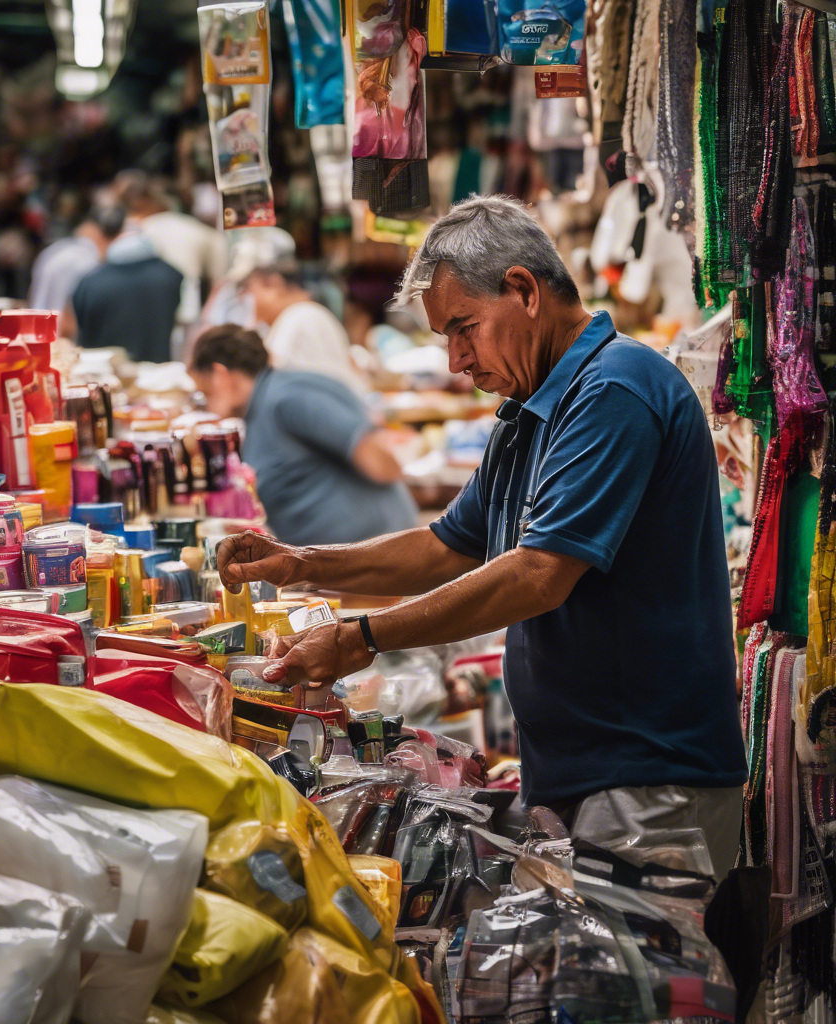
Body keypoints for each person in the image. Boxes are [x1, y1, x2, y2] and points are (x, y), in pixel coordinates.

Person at [217, 195, 748, 881]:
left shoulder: (617, 389)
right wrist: (302, 564)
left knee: (638, 984)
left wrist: (360, 638)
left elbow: (538, 574)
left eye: (464, 328)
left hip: (647, 779)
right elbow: (445, 547)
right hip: (580, 773)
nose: (457, 360)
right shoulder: (529, 409)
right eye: (445, 336)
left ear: (523, 290)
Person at [189, 325, 417, 546]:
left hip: (375, 556)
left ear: (221, 375)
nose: (206, 407)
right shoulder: (261, 408)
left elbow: (381, 461)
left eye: (205, 394)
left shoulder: (287, 398)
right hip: (337, 564)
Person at [112, 170, 228, 325]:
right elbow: (220, 281)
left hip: (151, 312)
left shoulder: (134, 230)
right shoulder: (198, 230)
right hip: (190, 309)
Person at [239, 264, 369, 396]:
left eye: (249, 290)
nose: (245, 299)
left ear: (274, 284)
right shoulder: (303, 314)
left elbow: (272, 376)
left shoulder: (299, 315)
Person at [68, 232, 183, 361]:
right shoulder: (172, 276)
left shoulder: (90, 282)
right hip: (158, 371)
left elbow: (77, 326)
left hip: (102, 372)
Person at [29, 204, 124, 316]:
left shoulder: (55, 250)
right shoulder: (88, 262)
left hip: (38, 326)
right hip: (61, 330)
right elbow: (69, 317)